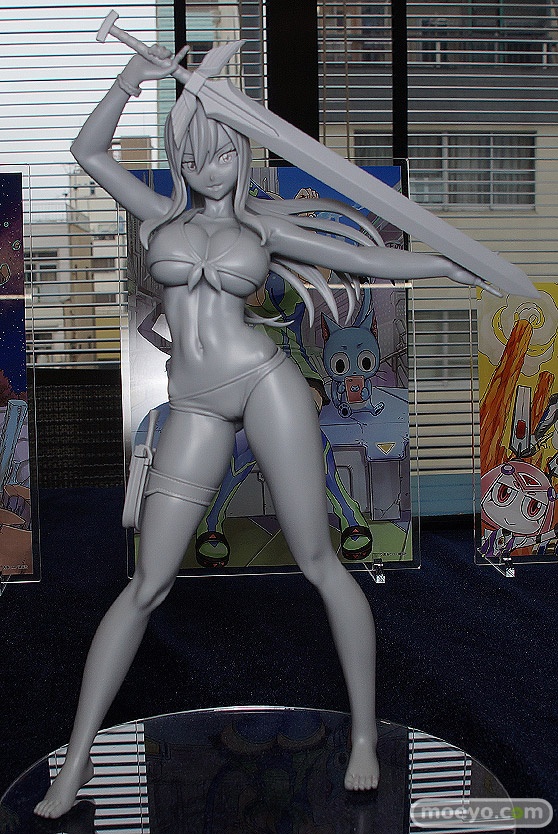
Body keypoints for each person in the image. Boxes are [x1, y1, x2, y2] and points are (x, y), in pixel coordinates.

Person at [35, 43, 487, 819]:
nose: (208, 169)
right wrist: (128, 81)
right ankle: (74, 762)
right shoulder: (158, 215)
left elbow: (359, 257)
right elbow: (88, 152)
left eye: (221, 153)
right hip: (195, 403)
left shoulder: (263, 228)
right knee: (147, 583)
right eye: (193, 156)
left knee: (318, 559)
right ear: (179, 158)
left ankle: (364, 738)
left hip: (265, 381)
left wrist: (444, 267)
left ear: (241, 153)